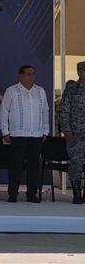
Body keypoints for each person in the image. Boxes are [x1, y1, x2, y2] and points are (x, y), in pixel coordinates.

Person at [0, 65, 49, 203]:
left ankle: (31, 194)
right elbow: (4, 111)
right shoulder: (12, 91)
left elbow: (45, 111)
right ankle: (13, 194)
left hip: (36, 135)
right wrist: (5, 131)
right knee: (16, 165)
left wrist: (45, 130)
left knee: (34, 166)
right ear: (20, 75)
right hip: (17, 134)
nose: (31, 76)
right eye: (28, 74)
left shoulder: (40, 91)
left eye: (33, 74)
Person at [59, 66, 85, 204]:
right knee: (76, 164)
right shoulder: (71, 90)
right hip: (76, 134)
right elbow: (64, 112)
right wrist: (67, 130)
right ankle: (76, 193)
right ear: (79, 72)